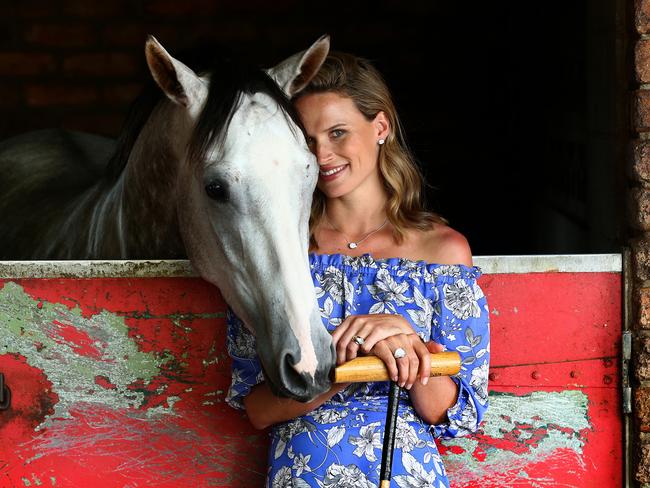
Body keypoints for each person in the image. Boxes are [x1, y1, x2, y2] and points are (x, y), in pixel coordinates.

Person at [226, 51, 490, 487]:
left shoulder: (442, 251)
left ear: (380, 128)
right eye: (307, 140)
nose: (322, 154)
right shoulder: (280, 253)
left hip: (406, 477)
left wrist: (404, 343)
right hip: (303, 476)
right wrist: (341, 365)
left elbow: (455, 413)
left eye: (338, 132)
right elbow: (257, 409)